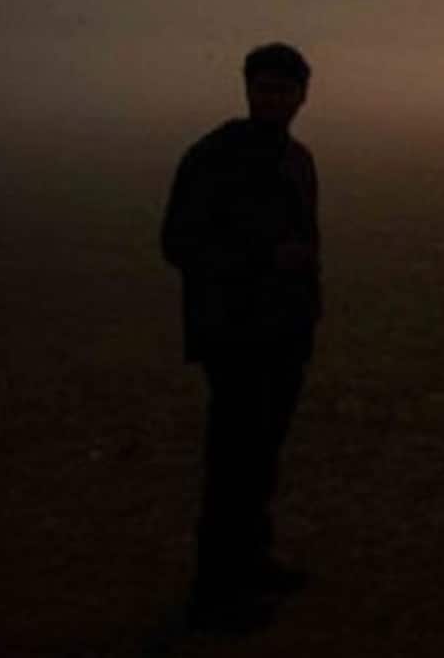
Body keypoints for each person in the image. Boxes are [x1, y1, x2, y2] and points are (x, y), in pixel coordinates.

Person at [161, 43, 321, 634]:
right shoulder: (214, 159)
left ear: (303, 96)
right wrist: (263, 259)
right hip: (235, 333)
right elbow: (179, 242)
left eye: (283, 89)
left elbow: (306, 243)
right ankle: (215, 591)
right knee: (233, 463)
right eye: (264, 88)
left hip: (284, 332)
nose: (272, 99)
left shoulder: (297, 160)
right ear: (247, 90)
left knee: (260, 456)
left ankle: (251, 560)